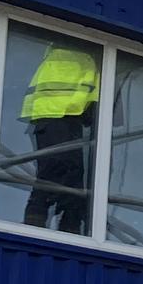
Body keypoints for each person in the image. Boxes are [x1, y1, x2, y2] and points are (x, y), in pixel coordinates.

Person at [20, 41, 100, 231]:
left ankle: (59, 227)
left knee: (67, 180)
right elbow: (84, 96)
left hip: (54, 117)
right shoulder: (78, 56)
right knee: (58, 174)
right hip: (59, 116)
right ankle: (51, 228)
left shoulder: (62, 55)